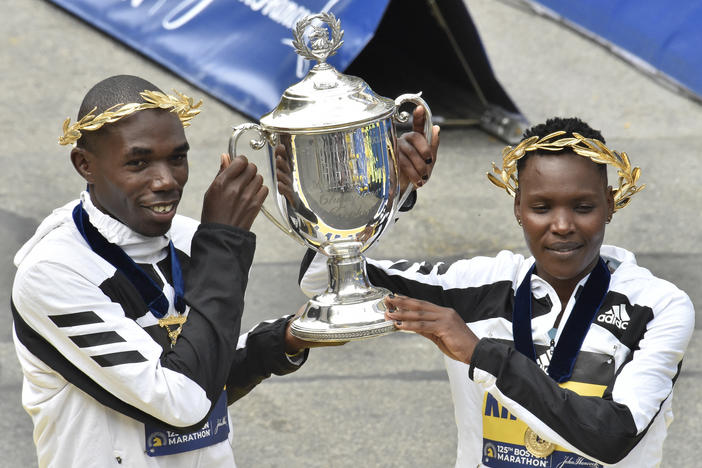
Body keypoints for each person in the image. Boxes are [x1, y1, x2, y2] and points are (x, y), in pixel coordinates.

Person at [10, 74, 438, 467]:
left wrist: (378, 194)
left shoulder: (187, 239)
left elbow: (207, 368)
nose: (166, 180)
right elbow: (181, 401)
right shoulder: (54, 273)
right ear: (85, 165)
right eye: (138, 163)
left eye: (177, 158)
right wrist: (224, 242)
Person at [300, 117, 694, 467]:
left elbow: (612, 437)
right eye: (541, 207)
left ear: (609, 205)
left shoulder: (658, 306)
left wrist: (481, 354)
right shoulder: (476, 286)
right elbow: (327, 281)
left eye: (582, 206)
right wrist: (390, 191)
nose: (561, 225)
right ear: (518, 207)